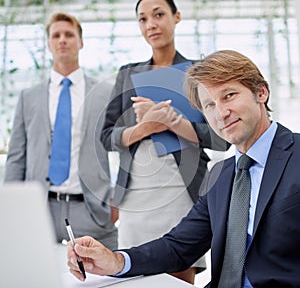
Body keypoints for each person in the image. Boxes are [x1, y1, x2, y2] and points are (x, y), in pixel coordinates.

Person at [67, 49, 300, 287]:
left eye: (229, 95)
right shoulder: (221, 176)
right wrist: (115, 260)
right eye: (209, 105)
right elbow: (178, 246)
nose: (221, 113)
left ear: (261, 92)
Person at [100, 0, 230, 284]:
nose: (151, 25)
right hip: (136, 196)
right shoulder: (127, 74)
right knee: (131, 273)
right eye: (143, 19)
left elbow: (222, 138)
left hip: (182, 193)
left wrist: (174, 122)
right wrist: (145, 127)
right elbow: (105, 136)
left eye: (159, 15)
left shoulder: (199, 73)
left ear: (176, 17)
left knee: (179, 274)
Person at [4, 12, 117, 249]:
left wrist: (119, 197)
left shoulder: (104, 92)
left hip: (91, 211)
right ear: (49, 44)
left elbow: (121, 147)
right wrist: (10, 205)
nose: (62, 40)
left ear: (81, 42)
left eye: (69, 34)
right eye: (56, 35)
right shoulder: (29, 96)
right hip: (38, 209)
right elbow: (16, 157)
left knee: (102, 282)